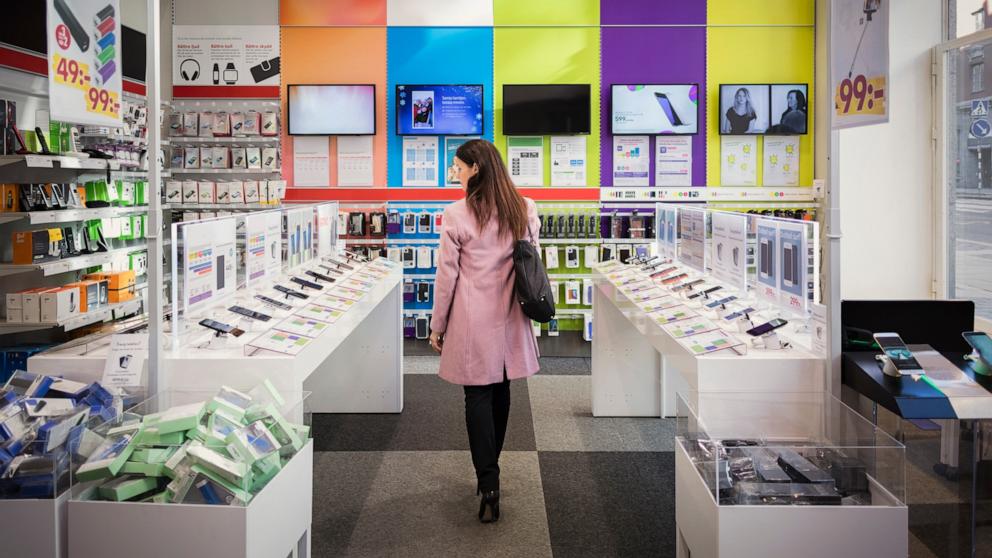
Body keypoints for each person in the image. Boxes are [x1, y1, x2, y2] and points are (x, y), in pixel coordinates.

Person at [429, 138, 540, 524]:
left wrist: (437, 324)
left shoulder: (457, 214)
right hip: (511, 315)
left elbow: (448, 276)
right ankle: (493, 468)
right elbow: (532, 261)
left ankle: (488, 481)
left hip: (472, 320)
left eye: (458, 167)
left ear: (475, 168)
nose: (455, 173)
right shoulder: (523, 207)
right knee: (502, 389)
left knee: (476, 396)